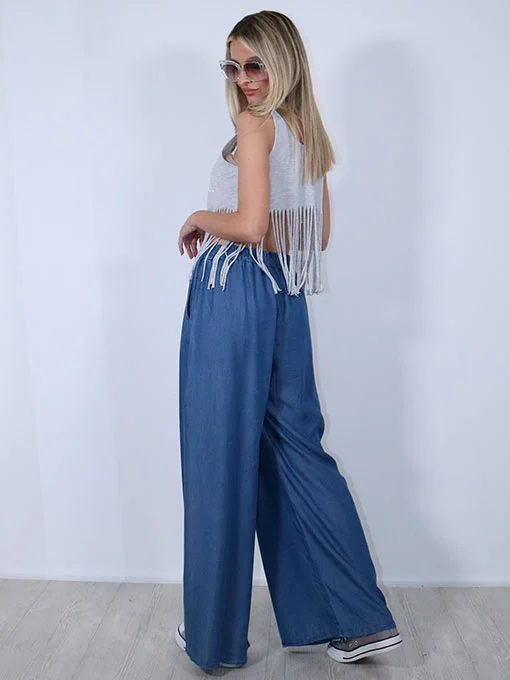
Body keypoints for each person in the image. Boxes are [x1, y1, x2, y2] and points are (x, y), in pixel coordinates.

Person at [175, 10, 403, 671]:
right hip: (283, 295)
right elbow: (312, 235)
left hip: (232, 293)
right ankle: (357, 621)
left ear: (284, 62)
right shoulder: (305, 130)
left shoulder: (255, 127)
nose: (244, 79)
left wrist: (200, 216)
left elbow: (249, 226)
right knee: (299, 450)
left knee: (219, 457)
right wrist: (245, 224)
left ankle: (212, 632)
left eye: (256, 64)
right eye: (234, 66)